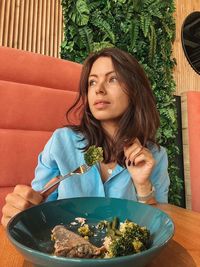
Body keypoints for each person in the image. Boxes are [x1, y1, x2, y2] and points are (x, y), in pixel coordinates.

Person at [1, 47, 170, 227]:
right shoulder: (61, 142)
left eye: (112, 79)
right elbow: (34, 211)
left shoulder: (155, 156)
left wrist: (143, 186)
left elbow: (158, 229)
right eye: (92, 82)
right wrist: (23, 211)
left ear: (135, 89)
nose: (99, 90)